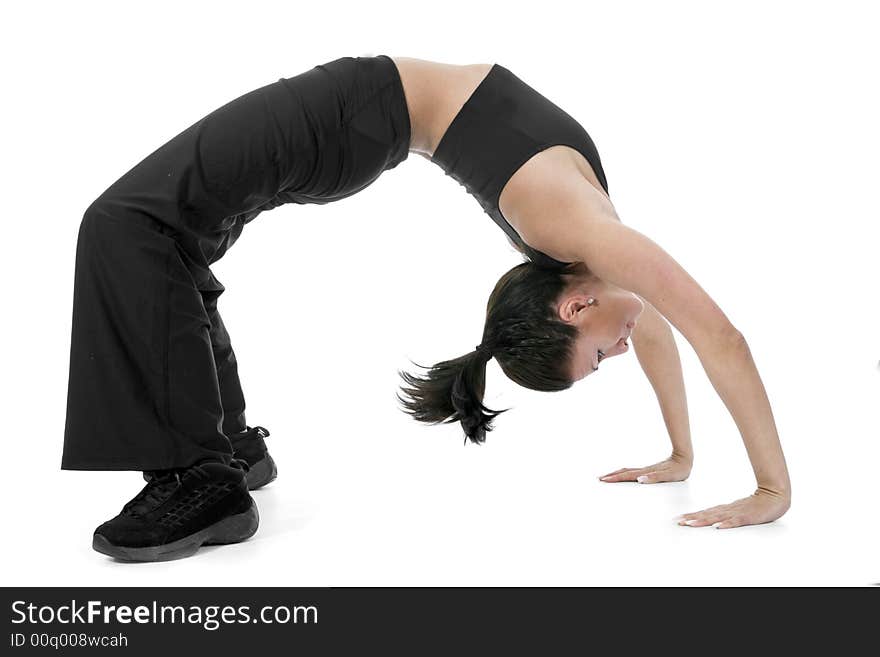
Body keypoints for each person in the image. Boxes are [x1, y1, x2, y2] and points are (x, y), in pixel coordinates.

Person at [63, 54, 790, 562]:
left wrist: (682, 451)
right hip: (352, 112)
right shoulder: (583, 234)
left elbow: (661, 329)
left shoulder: (595, 258)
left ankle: (214, 463)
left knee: (147, 227)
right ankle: (212, 468)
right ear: (576, 307)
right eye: (601, 357)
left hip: (361, 120)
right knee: (130, 223)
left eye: (604, 358)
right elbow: (716, 334)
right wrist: (770, 488)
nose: (622, 351)